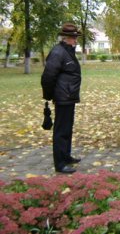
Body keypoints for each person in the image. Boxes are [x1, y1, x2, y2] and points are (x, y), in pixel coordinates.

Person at [41, 23, 82, 174]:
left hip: (69, 96)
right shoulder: (58, 52)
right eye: (74, 38)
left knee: (67, 128)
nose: (76, 41)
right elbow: (48, 76)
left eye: (76, 38)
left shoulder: (67, 51)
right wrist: (49, 95)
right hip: (62, 97)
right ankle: (60, 163)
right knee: (61, 131)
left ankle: (66, 156)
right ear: (66, 38)